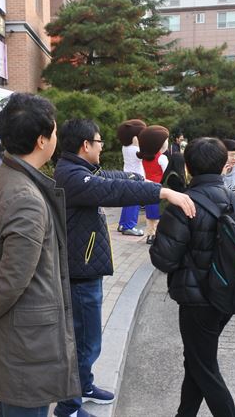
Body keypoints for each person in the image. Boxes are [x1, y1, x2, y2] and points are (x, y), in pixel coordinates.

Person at [53, 119, 196, 417]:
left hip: (85, 267)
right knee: (85, 342)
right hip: (80, 272)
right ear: (85, 145)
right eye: (99, 140)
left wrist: (136, 177)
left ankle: (85, 386)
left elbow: (111, 178)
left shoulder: (78, 171)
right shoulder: (72, 176)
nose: (103, 145)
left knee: (87, 339)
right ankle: (68, 407)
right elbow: (110, 190)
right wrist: (163, 192)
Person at [0, 93, 81, 416]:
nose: (56, 137)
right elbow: (12, 280)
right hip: (26, 345)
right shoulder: (26, 197)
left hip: (10, 337)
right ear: (42, 140)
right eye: (54, 132)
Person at [150, 137, 235, 417]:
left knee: (204, 367)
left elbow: (164, 259)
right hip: (226, 295)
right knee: (197, 360)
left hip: (197, 299)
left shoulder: (183, 205)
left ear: (187, 166)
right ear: (224, 164)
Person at [138, 125, 171, 244]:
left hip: (147, 188)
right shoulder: (162, 158)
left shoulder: (143, 159)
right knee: (158, 214)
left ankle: (150, 235)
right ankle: (156, 235)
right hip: (159, 189)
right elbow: (167, 174)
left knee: (149, 215)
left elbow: (142, 174)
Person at [116, 119, 147, 236]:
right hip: (136, 178)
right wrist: (138, 144)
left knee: (127, 202)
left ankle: (122, 224)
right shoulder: (135, 148)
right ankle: (129, 226)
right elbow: (143, 157)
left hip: (127, 176)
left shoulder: (125, 147)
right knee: (134, 203)